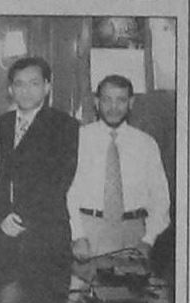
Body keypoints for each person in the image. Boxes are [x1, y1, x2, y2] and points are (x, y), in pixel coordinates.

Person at [0, 57, 78, 303]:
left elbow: (59, 180)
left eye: (34, 83)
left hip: (46, 238)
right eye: (19, 84)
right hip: (1, 238)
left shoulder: (65, 125)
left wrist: (21, 218)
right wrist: (1, 217)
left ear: (47, 87)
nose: (26, 90)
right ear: (10, 89)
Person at [67, 75, 170, 260]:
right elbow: (68, 192)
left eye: (121, 100)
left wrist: (148, 240)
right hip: (89, 231)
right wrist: (77, 236)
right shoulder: (78, 139)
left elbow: (160, 197)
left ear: (131, 102)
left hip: (134, 233)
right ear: (96, 102)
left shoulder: (146, 143)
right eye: (107, 100)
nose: (113, 107)